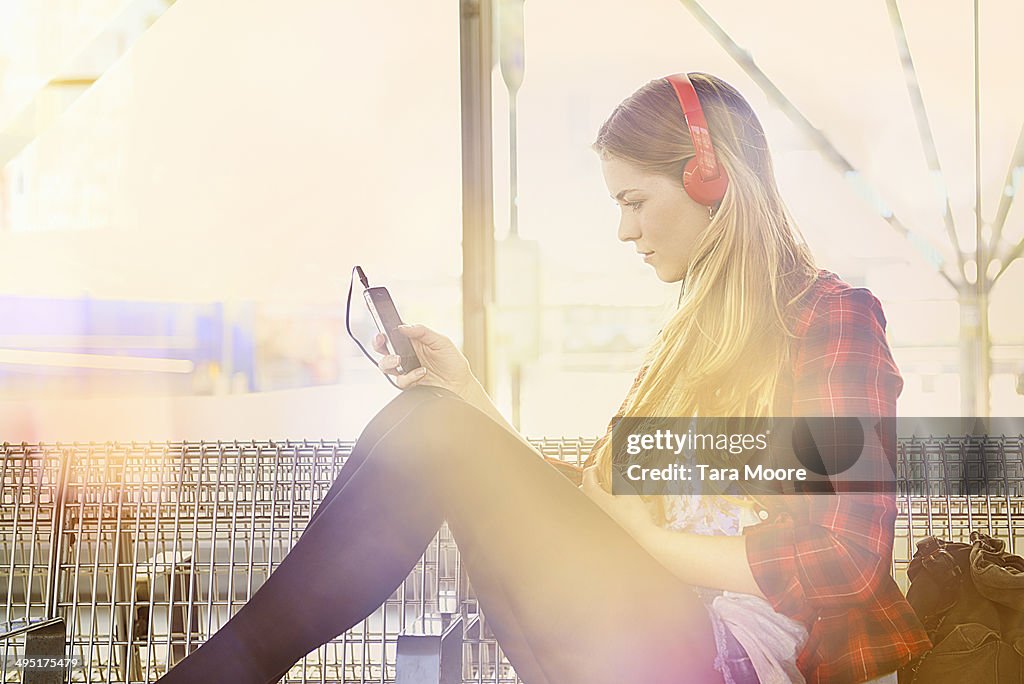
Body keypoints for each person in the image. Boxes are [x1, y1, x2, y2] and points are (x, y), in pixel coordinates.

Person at [155, 72, 931, 684]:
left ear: (708, 178)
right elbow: (588, 509)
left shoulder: (830, 321)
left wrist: (641, 536)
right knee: (428, 415)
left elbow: (845, 559)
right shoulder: (689, 339)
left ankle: (227, 671)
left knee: (435, 431)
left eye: (634, 200)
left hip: (729, 662)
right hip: (642, 636)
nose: (624, 229)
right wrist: (470, 398)